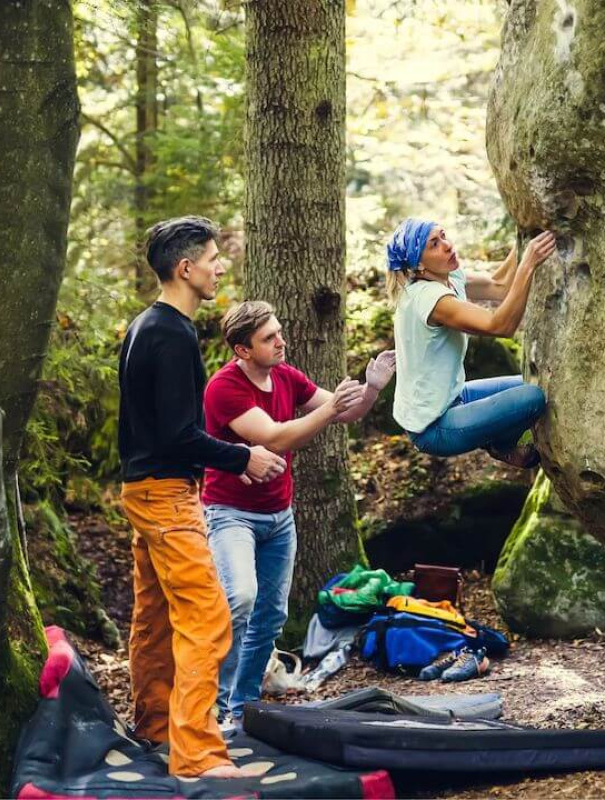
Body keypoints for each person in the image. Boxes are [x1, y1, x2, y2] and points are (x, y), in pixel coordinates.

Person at [117, 216, 286, 779]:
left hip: (145, 488)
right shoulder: (169, 334)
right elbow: (176, 434)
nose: (220, 267)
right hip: (165, 494)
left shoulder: (146, 325)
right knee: (208, 615)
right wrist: (244, 456)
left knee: (156, 616)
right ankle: (198, 754)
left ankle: (156, 726)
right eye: (213, 259)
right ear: (185, 269)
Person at [202, 300, 395, 726]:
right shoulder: (224, 388)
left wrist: (372, 387)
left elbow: (350, 412)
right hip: (229, 513)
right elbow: (274, 439)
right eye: (268, 338)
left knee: (271, 615)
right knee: (240, 599)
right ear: (242, 350)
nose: (280, 341)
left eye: (279, 332)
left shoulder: (286, 376)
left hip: (278, 516)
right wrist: (329, 410)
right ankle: (213, 705)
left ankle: (242, 707)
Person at [385, 218, 555, 467]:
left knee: (531, 381)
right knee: (532, 397)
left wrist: (526, 235)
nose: (446, 245)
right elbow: (500, 326)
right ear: (419, 264)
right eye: (434, 244)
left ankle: (494, 435)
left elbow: (499, 286)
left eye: (443, 235)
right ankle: (502, 446)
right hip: (433, 427)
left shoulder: (448, 276)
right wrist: (528, 263)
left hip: (454, 396)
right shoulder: (430, 299)